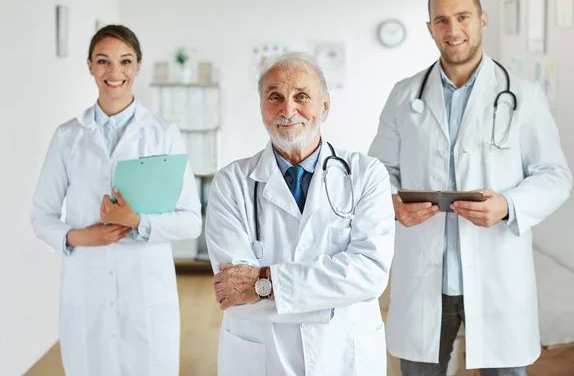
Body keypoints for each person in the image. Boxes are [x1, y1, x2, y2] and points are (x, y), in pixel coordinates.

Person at [369, 0, 572, 375]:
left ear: (482, 19)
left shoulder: (523, 95)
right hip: (426, 277)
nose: (453, 29)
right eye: (441, 20)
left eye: (462, 17)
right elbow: (378, 172)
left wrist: (509, 205)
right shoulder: (404, 95)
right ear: (430, 28)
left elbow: (555, 175)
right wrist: (393, 204)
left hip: (496, 274)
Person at [205, 53, 395, 376]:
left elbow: (371, 274)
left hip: (344, 356)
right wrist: (332, 294)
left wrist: (263, 282)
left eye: (301, 96)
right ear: (262, 108)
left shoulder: (367, 174)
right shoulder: (230, 183)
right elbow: (234, 292)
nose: (287, 109)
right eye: (274, 97)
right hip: (263, 359)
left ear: (324, 106)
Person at [31, 25, 202, 376]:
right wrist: (79, 237)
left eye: (125, 61)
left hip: (146, 290)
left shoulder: (162, 133)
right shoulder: (68, 136)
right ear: (90, 67)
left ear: (138, 66)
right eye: (103, 61)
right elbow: (41, 214)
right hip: (86, 283)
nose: (114, 72)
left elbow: (191, 219)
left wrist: (137, 222)